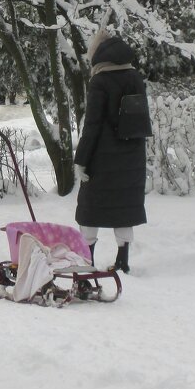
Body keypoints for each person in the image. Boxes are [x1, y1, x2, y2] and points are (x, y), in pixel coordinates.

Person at [73, 29, 148, 274]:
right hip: (131, 155)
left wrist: (81, 160)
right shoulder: (135, 77)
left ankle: (88, 261)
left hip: (102, 159)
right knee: (124, 209)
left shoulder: (100, 81)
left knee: (90, 210)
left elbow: (92, 125)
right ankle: (123, 261)